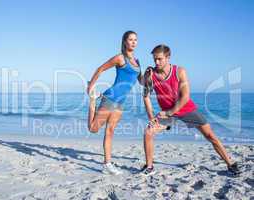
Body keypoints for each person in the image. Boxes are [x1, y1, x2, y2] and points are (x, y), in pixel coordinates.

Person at [141, 44, 240, 176]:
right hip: (168, 114)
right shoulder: (151, 75)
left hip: (186, 109)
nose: (156, 62)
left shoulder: (179, 71)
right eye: (154, 59)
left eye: (159, 59)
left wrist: (169, 112)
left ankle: (230, 164)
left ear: (168, 57)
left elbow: (185, 97)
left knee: (210, 136)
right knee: (148, 131)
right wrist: (151, 116)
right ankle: (150, 166)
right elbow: (146, 96)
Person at [87, 31, 142, 175]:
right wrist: (90, 86)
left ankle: (107, 164)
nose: (133, 42)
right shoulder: (120, 58)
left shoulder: (138, 63)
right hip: (111, 98)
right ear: (125, 42)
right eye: (130, 39)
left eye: (135, 40)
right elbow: (100, 69)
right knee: (93, 129)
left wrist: (150, 77)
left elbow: (141, 82)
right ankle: (92, 100)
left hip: (121, 102)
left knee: (110, 131)